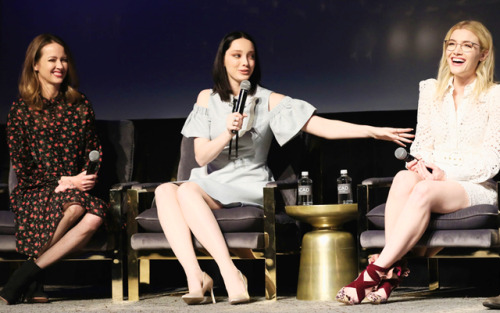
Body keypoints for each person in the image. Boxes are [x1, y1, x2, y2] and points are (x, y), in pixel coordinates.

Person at [154, 30, 414, 305]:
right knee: (164, 191)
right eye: (237, 55)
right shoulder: (206, 98)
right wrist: (226, 133)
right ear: (223, 60)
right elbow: (202, 157)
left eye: (251, 56)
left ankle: (230, 274)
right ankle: (196, 277)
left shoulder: (267, 99)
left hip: (250, 183)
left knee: (186, 192)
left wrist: (373, 132)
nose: (245, 62)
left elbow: (321, 127)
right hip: (211, 182)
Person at [336, 20, 500, 305]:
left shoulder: (495, 94)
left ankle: (376, 271)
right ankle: (396, 268)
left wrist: (445, 173)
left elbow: (492, 159)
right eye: (451, 43)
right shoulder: (430, 89)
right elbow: (422, 145)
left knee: (423, 191)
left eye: (467, 45)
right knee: (403, 178)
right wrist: (422, 166)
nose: (456, 50)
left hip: (474, 184)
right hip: (436, 177)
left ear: (483, 54)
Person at [0, 34, 106, 305]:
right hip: (34, 190)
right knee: (76, 208)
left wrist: (86, 176)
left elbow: (93, 152)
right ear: (35, 65)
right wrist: (66, 180)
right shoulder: (20, 110)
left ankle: (25, 275)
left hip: (72, 189)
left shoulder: (80, 104)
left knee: (93, 215)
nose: (60, 65)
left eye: (64, 59)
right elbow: (23, 168)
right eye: (52, 60)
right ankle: (32, 279)